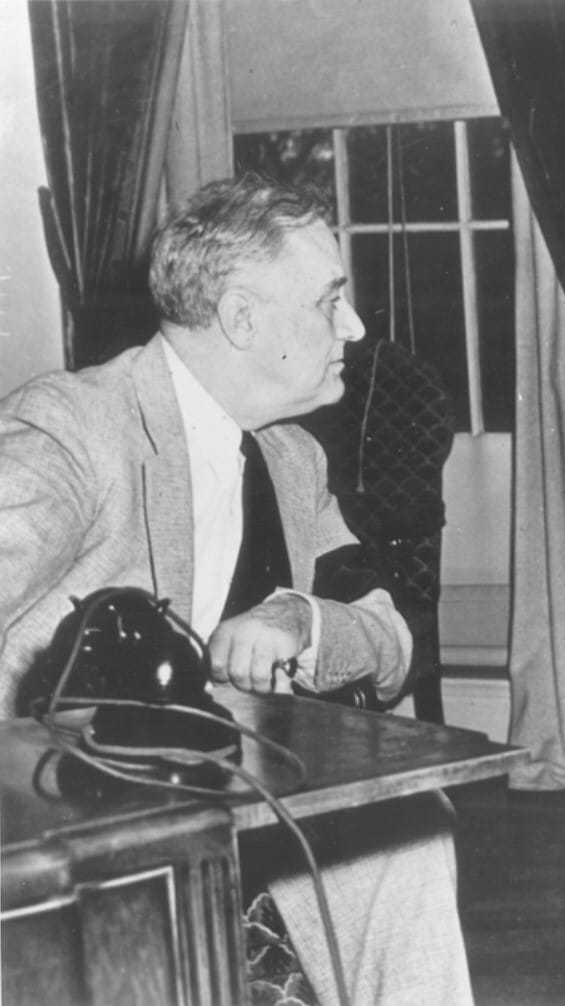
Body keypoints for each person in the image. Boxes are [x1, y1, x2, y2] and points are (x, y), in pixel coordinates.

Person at [0, 175, 473, 1004]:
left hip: (216, 798)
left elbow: (388, 640)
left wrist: (298, 617)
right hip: (59, 816)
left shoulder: (294, 461)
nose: (356, 329)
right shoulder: (75, 430)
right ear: (243, 318)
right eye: (331, 301)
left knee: (410, 829)